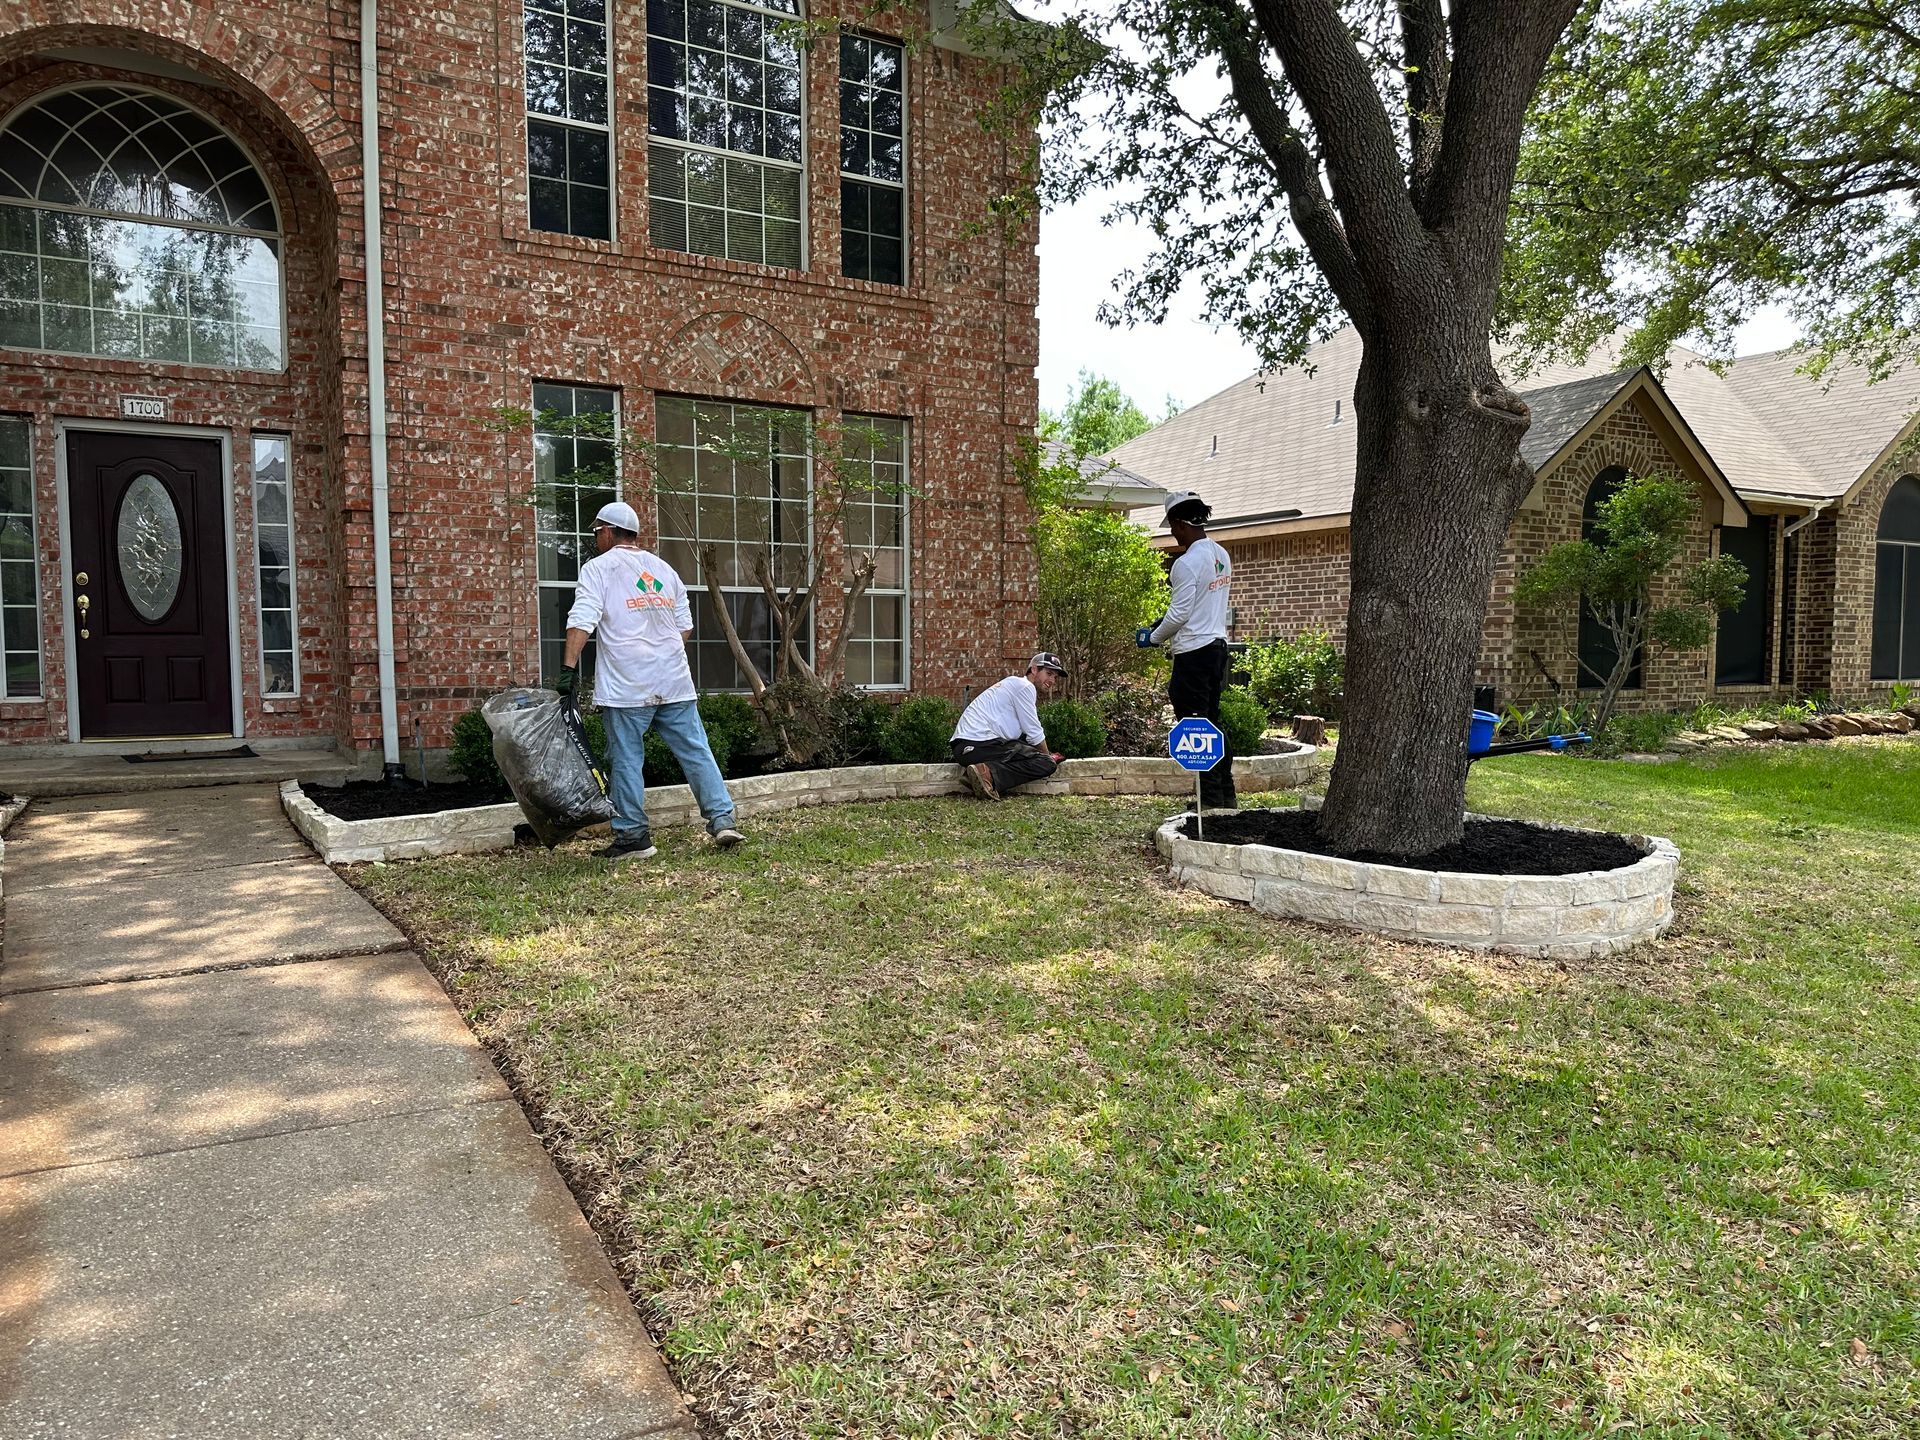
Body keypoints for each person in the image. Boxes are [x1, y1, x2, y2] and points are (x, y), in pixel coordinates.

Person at [557, 501, 745, 861]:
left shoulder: (599, 569)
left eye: (597, 532)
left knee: (627, 760)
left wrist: (568, 670)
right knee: (696, 752)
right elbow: (684, 628)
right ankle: (723, 821)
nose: (596, 538)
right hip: (674, 681)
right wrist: (660, 652)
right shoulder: (664, 570)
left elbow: (582, 620)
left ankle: (633, 838)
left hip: (627, 688)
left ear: (608, 532)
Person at [1145, 491, 1237, 811]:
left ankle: (1209, 803)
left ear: (1180, 523)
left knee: (1196, 727)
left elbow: (1180, 615)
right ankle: (1225, 795)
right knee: (1212, 721)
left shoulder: (1185, 563)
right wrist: (1164, 625)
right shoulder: (1222, 555)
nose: (1172, 533)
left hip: (1193, 653)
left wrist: (1153, 637)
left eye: (1172, 526)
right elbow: (1197, 607)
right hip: (1217, 648)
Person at [949, 653, 1068, 800]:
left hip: (964, 749)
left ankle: (978, 773)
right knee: (1046, 763)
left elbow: (1023, 737)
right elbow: (1034, 732)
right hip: (979, 744)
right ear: (1034, 670)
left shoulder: (1012, 684)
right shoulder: (1025, 687)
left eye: (1055, 677)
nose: (1051, 680)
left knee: (1024, 747)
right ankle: (987, 774)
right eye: (1048, 673)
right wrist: (1047, 756)